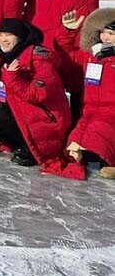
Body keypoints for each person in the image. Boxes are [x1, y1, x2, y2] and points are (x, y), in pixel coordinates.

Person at [0, 19, 74, 176]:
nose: (3, 39)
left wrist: (11, 77)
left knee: (1, 114)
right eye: (0, 35)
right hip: (20, 111)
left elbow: (36, 94)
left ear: (20, 37)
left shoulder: (39, 59)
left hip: (44, 116)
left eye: (8, 35)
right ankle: (21, 144)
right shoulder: (3, 55)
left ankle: (30, 150)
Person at [57, 9, 115, 180]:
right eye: (102, 32)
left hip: (111, 112)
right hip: (89, 110)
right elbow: (66, 53)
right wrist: (68, 31)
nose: (105, 37)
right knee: (74, 144)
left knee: (97, 133)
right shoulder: (91, 55)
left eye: (111, 33)